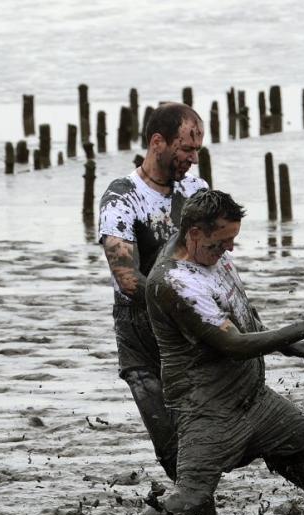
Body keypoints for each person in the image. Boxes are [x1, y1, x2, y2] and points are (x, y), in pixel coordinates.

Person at [63, 189, 304, 515]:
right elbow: (230, 343)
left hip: (254, 399)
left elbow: (238, 311)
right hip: (207, 408)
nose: (229, 250)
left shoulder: (212, 257)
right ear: (193, 233)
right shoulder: (172, 282)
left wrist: (290, 344)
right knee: (191, 494)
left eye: (232, 240)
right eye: (220, 242)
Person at [98, 102, 208, 482]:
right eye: (186, 149)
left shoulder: (196, 190)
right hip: (140, 333)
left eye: (197, 151)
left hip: (188, 330)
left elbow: (217, 260)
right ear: (157, 142)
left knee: (206, 431)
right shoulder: (121, 198)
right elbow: (127, 278)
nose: (193, 159)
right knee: (170, 444)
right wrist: (183, 309)